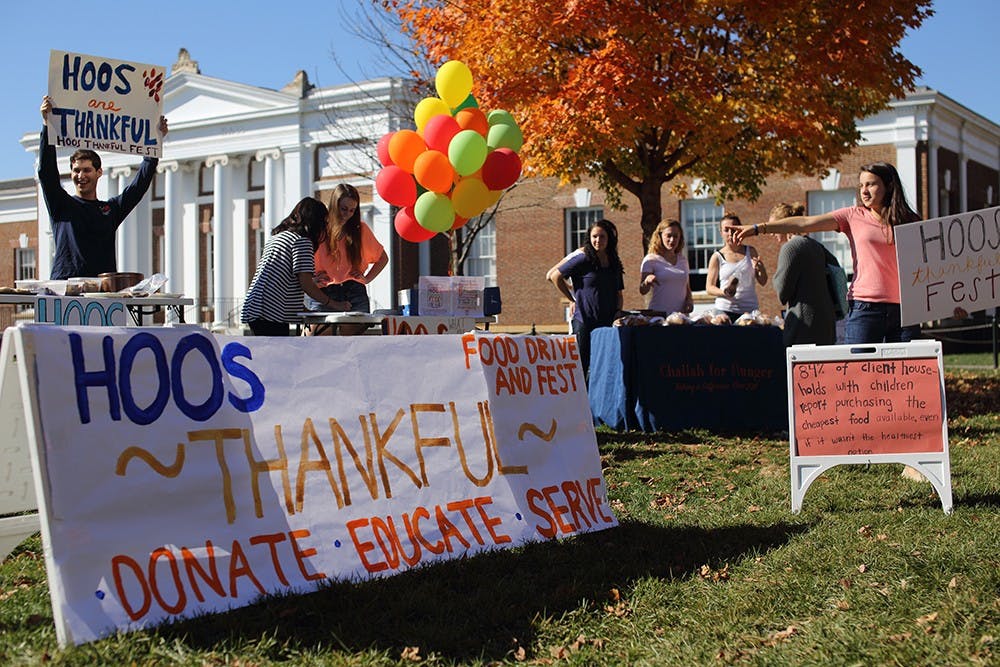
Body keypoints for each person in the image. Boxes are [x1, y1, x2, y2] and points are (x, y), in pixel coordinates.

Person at [727, 162, 921, 344]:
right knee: (860, 367)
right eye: (861, 185)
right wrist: (758, 228)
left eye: (871, 184)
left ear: (889, 186)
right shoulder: (852, 216)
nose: (864, 191)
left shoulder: (911, 221)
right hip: (865, 308)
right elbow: (805, 223)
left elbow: (928, 265)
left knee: (907, 368)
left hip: (906, 309)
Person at [38, 95, 169, 279]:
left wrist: (154, 145)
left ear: (99, 172)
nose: (81, 176)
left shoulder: (110, 210)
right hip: (66, 287)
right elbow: (46, 173)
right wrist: (47, 125)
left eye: (87, 170)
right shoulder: (61, 205)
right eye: (76, 171)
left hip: (101, 289)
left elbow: (138, 187)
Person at [241, 197, 350, 336]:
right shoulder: (302, 242)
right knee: (278, 349)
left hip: (255, 307)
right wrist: (333, 304)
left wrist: (303, 308)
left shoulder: (277, 238)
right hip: (272, 312)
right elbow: (306, 285)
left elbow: (283, 280)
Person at [305, 183, 389, 335]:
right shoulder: (319, 230)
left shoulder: (360, 229)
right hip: (323, 292)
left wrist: (366, 279)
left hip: (354, 291)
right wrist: (311, 281)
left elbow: (383, 258)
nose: (347, 214)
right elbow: (300, 261)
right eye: (343, 209)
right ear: (334, 205)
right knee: (315, 341)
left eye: (352, 210)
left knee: (351, 343)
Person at [546, 218, 624, 379]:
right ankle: (579, 395)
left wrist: (618, 312)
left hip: (607, 323)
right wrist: (571, 299)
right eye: (594, 236)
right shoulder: (583, 258)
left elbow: (619, 293)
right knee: (581, 367)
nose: (598, 240)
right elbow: (555, 276)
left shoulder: (614, 262)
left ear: (609, 239)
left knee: (603, 366)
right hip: (584, 320)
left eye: (602, 236)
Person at [770, 202, 837, 346]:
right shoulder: (816, 246)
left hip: (803, 324)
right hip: (826, 323)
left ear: (785, 225)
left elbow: (782, 292)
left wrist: (775, 278)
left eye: (773, 227)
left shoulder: (790, 248)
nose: (771, 233)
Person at [706, 213, 767, 319]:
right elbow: (709, 287)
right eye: (726, 230)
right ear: (721, 233)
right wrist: (725, 292)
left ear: (740, 230)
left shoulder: (751, 251)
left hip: (749, 309)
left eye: (733, 229)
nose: (730, 233)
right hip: (724, 309)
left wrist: (760, 268)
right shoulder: (717, 257)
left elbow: (763, 281)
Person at [639, 218, 694, 315]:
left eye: (676, 236)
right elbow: (642, 290)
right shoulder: (651, 259)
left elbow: (686, 286)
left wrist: (689, 300)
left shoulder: (683, 260)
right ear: (660, 236)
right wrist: (647, 281)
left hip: (680, 316)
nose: (672, 240)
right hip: (659, 315)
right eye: (668, 236)